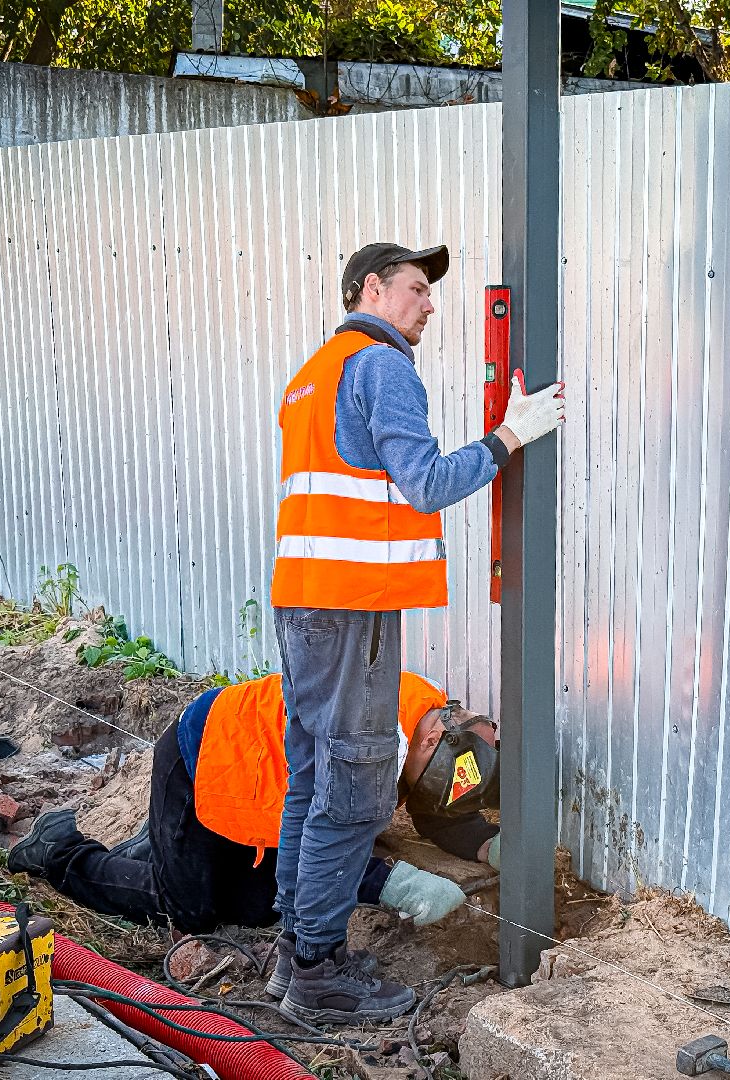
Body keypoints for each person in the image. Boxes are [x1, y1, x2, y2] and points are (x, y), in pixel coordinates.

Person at [267, 242, 561, 1022]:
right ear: (372, 287)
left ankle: (291, 952)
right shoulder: (381, 365)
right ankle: (319, 976)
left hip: (303, 605)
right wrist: (509, 439)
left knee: (311, 779)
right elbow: (425, 483)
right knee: (358, 793)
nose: (429, 303)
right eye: (416, 288)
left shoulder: (312, 374)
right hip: (351, 606)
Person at [8, 670, 502, 1019]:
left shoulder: (426, 716)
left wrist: (492, 846)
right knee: (188, 909)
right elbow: (322, 840)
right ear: (432, 739)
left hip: (265, 793)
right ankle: (59, 850)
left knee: (254, 906)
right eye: (424, 779)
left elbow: (437, 807)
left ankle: (164, 844)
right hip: (208, 756)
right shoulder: (368, 739)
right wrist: (395, 883)